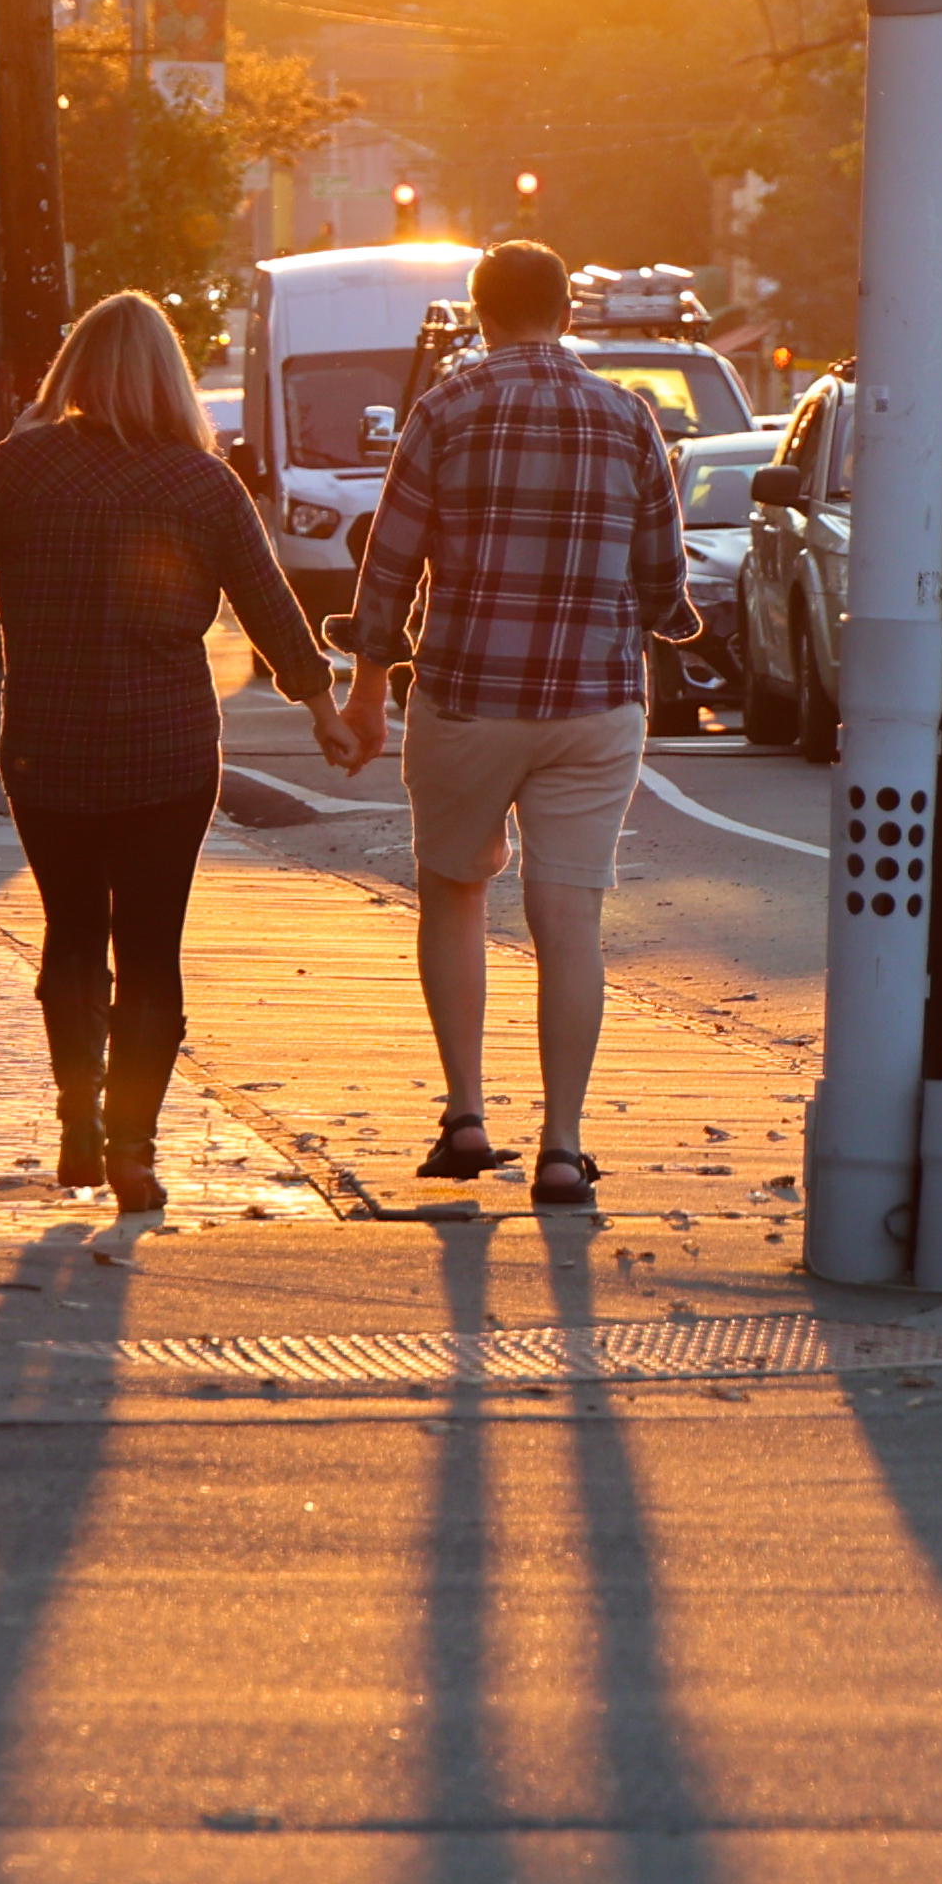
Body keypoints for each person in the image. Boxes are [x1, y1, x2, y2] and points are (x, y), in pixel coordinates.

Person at [0, 289, 356, 1233]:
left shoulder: (30, 462)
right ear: (173, 377)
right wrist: (325, 710)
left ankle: (78, 1118)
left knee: (72, 933)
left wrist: (8, 452)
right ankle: (133, 1148)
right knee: (152, 949)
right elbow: (271, 608)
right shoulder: (204, 483)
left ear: (73, 371)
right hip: (168, 752)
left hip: (48, 744)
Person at [337, 241, 695, 1209]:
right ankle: (565, 1148)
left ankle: (465, 1116)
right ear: (569, 308)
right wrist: (666, 616)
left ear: (479, 311)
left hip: (466, 696)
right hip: (594, 703)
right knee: (569, 917)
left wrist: (369, 685)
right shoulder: (630, 419)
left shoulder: (444, 409)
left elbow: (392, 559)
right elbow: (663, 576)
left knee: (453, 890)